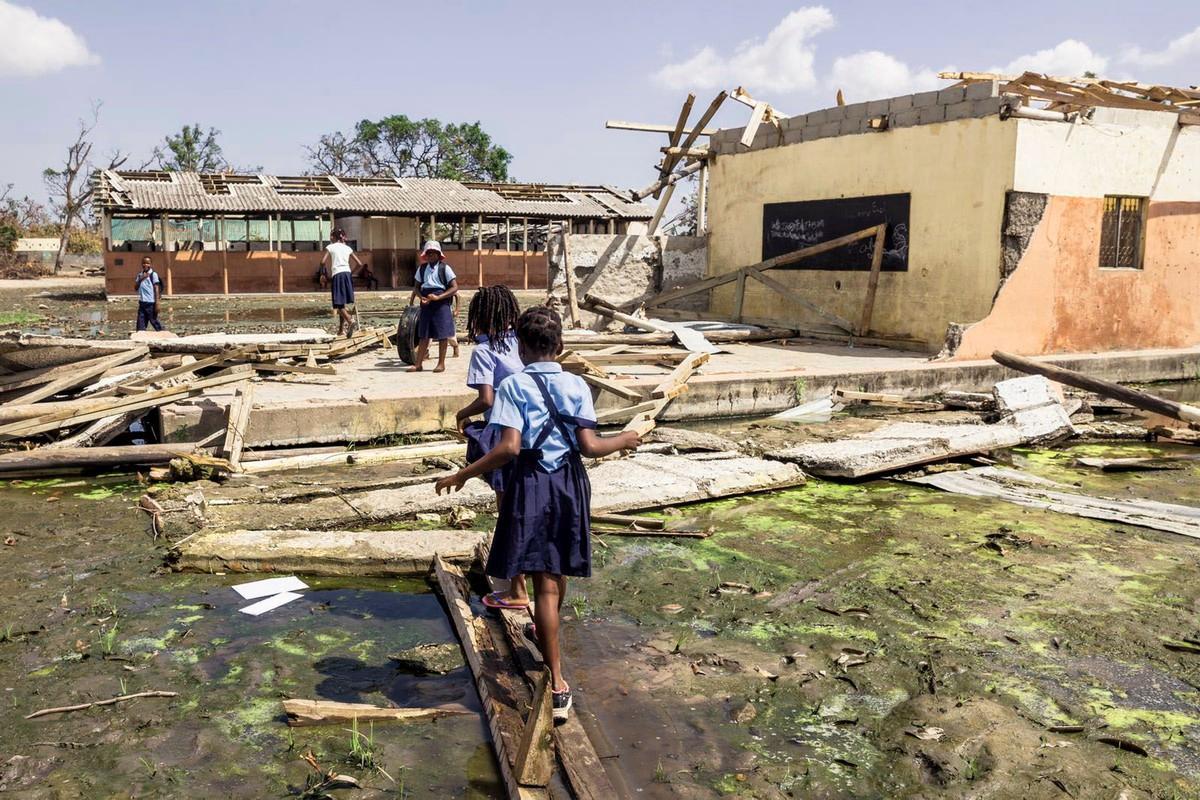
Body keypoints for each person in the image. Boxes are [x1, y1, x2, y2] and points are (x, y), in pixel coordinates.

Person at [436, 306, 640, 721]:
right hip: (569, 482)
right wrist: (628, 438)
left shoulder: (512, 386)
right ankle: (545, 633)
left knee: (543, 581)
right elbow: (590, 447)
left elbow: (509, 448)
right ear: (560, 345)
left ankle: (558, 683)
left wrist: (463, 473)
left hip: (529, 482)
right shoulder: (576, 384)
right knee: (555, 573)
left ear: (522, 347)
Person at [454, 286, 527, 609]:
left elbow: (486, 399)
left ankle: (517, 589)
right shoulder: (523, 344)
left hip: (504, 435)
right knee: (526, 509)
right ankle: (535, 587)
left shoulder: (484, 352)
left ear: (479, 318)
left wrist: (462, 415)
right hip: (531, 435)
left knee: (507, 512)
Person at [408, 241, 458, 372]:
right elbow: (416, 287)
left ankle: (441, 363)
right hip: (426, 302)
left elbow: (454, 287)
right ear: (426, 255)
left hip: (441, 302)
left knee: (443, 334)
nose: (431, 255)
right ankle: (418, 364)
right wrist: (421, 297)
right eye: (428, 253)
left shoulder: (445, 268)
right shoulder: (422, 269)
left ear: (438, 254)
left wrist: (439, 297)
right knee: (424, 334)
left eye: (433, 253)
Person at [320, 228, 364, 336]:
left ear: (333, 237)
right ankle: (340, 330)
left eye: (331, 236)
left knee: (338, 304)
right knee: (342, 303)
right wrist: (351, 273)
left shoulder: (331, 247)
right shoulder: (347, 248)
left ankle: (350, 320)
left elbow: (322, 262)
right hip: (347, 274)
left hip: (338, 275)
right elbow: (359, 263)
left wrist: (323, 274)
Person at [134, 256, 164, 332]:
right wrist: (141, 279)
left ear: (150, 264)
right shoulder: (140, 275)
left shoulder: (153, 274)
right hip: (142, 303)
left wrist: (157, 303)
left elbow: (156, 288)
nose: (145, 265)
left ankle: (163, 333)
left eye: (147, 263)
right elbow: (135, 288)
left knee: (154, 321)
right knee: (140, 323)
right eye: (144, 263)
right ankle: (141, 336)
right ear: (141, 264)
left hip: (151, 303)